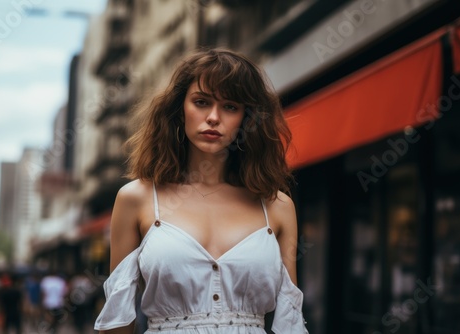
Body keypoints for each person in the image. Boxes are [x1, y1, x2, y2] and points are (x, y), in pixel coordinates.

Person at [94, 48, 308, 334]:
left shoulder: (277, 206)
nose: (213, 117)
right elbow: (118, 320)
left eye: (230, 106)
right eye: (201, 102)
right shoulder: (137, 198)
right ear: (180, 108)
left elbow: (289, 322)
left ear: (247, 118)